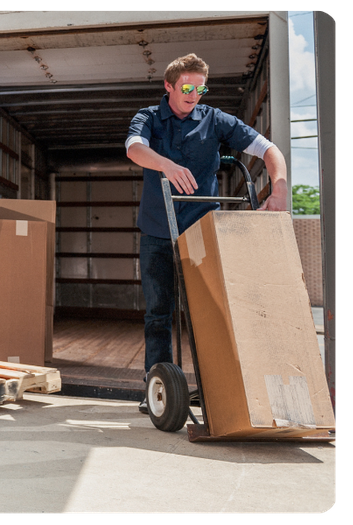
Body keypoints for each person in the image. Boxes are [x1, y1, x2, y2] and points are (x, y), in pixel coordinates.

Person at [124, 54, 288, 413]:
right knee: (158, 313)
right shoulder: (149, 118)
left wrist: (279, 189)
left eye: (200, 88)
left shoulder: (216, 120)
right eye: (186, 87)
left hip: (202, 230)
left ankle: (217, 388)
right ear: (168, 86)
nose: (194, 94)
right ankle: (158, 388)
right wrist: (165, 164)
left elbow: (268, 149)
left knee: (208, 310)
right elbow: (134, 148)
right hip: (157, 230)